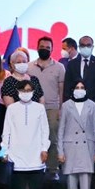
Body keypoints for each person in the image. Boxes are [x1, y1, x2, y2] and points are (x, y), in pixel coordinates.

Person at [0, 79, 50, 189]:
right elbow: (6, 132)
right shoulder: (11, 108)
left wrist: (44, 149)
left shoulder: (39, 108)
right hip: (16, 157)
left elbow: (45, 130)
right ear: (18, 92)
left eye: (28, 90)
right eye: (23, 90)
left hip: (36, 156)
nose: (26, 93)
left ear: (33, 92)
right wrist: (4, 151)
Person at [57, 80, 95, 189]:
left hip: (87, 148)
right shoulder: (66, 105)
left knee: (86, 184)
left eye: (82, 87)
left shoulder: (92, 105)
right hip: (70, 148)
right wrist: (60, 151)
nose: (79, 89)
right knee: (71, 185)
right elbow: (61, 129)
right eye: (77, 87)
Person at [27, 37, 64, 175]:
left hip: (52, 108)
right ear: (37, 48)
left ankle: (53, 169)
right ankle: (34, 166)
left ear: (52, 49)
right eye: (42, 47)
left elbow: (62, 89)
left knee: (52, 138)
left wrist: (61, 108)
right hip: (32, 108)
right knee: (33, 137)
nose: (44, 49)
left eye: (47, 47)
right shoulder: (29, 67)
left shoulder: (59, 67)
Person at [63, 35, 95, 111]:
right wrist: (66, 105)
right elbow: (67, 86)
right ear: (79, 47)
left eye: (88, 45)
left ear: (92, 47)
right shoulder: (72, 64)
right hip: (75, 106)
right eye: (83, 45)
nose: (85, 47)